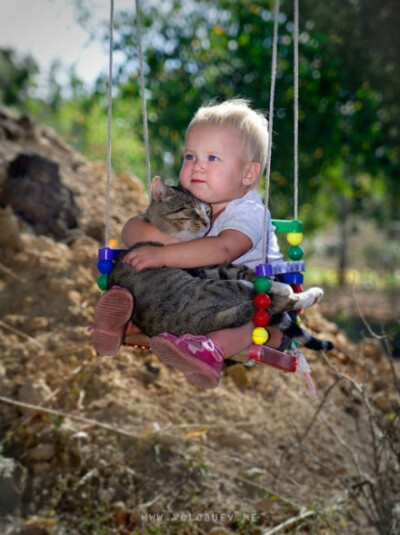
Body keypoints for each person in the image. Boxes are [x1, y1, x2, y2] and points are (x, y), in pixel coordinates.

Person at [93, 98, 286, 388]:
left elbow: (222, 249)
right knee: (147, 274)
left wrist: (164, 255)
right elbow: (132, 227)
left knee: (254, 321)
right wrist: (160, 241)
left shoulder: (249, 211)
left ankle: (209, 351)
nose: (197, 167)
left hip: (258, 293)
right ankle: (126, 319)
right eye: (189, 156)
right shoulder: (194, 201)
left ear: (248, 174)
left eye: (212, 158)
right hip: (202, 294)